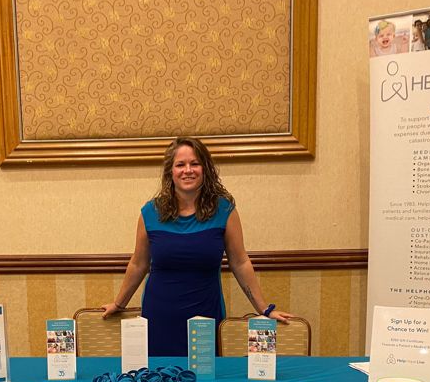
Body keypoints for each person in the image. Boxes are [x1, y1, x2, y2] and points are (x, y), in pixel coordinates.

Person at [102, 137, 293, 357]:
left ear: (205, 169)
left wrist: (264, 309)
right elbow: (138, 264)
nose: (188, 170)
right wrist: (119, 303)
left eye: (195, 163)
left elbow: (240, 262)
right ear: (170, 172)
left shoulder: (224, 210)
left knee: (206, 381)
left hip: (205, 317)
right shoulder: (150, 212)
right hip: (160, 316)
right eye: (180, 165)